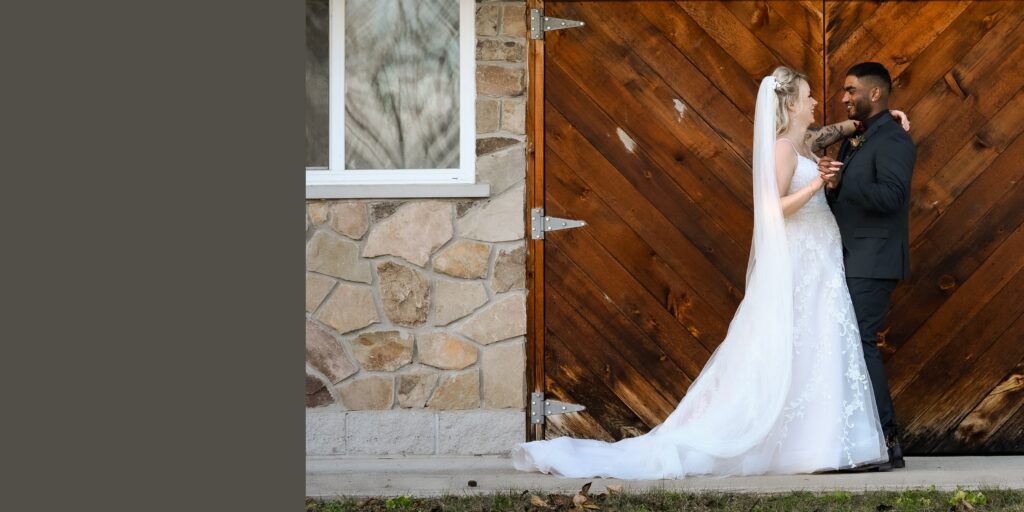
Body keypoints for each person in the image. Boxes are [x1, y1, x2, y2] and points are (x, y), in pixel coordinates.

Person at [511, 66, 909, 479]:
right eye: (808, 96)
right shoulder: (783, 150)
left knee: (814, 346)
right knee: (791, 344)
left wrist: (878, 121)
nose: (814, 102)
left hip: (821, 260)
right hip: (804, 258)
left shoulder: (802, 143)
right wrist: (815, 188)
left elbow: (830, 133)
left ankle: (817, 442)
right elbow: (771, 210)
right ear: (791, 103)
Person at [819, 61, 917, 471]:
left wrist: (844, 182)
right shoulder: (860, 135)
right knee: (851, 345)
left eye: (850, 90)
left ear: (874, 93)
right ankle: (866, 441)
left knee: (860, 344)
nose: (843, 97)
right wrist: (831, 184)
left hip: (874, 260)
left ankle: (888, 443)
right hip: (850, 256)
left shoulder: (893, 140)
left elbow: (892, 197)